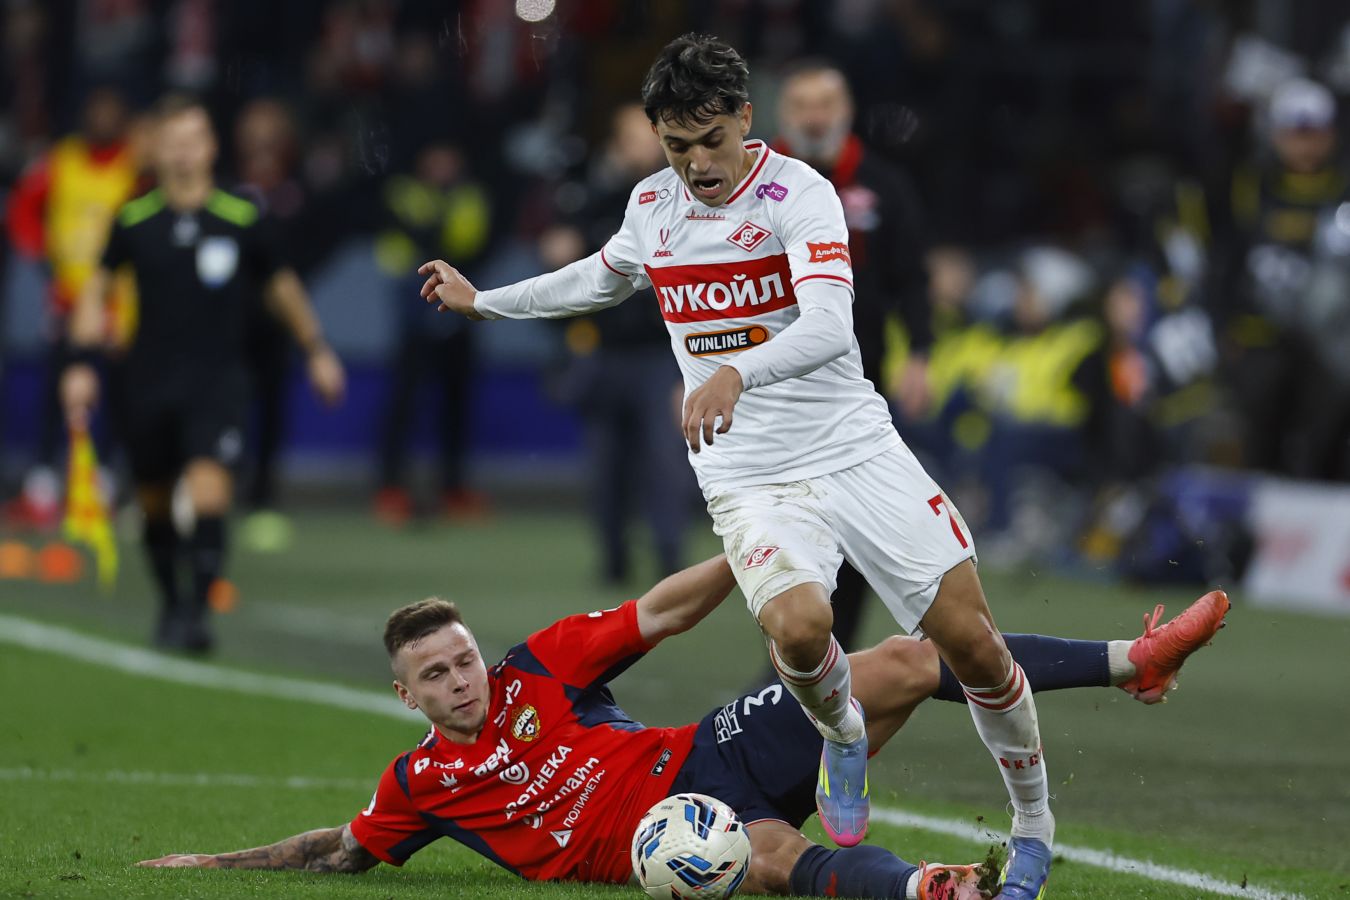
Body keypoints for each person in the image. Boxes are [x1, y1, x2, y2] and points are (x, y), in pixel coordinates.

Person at [417, 34, 1052, 893]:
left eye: (712, 140)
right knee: (800, 628)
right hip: (748, 471)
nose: (698, 164)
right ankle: (843, 734)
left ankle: (1031, 827)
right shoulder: (653, 204)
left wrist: (734, 372)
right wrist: (484, 302)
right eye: (677, 145)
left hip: (852, 445)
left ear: (747, 119)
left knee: (973, 645)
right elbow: (600, 277)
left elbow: (829, 323)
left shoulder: (801, 193)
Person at [136, 554, 1229, 900]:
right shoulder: (416, 787)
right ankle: (929, 891)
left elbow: (658, 612)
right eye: (438, 675)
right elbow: (339, 851)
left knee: (899, 662)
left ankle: (1133, 660)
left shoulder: (538, 668)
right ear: (406, 698)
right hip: (673, 838)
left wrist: (750, 549)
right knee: (771, 858)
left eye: (463, 658)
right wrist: (212, 865)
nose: (463, 681)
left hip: (705, 751)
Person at [60, 94, 346, 652]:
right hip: (147, 382)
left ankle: (195, 615)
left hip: (218, 382)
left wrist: (316, 349)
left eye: (193, 140)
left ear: (211, 147)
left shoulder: (241, 217)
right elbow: (96, 289)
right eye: (173, 143)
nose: (184, 152)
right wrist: (79, 363)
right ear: (157, 151)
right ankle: (172, 603)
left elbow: (281, 285)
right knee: (154, 502)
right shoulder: (134, 219)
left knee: (210, 491)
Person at [772, 60, 934, 652]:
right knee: (780, 524)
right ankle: (794, 656)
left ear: (845, 111)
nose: (815, 117)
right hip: (773, 385)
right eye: (803, 105)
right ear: (783, 113)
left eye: (826, 104)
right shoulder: (753, 182)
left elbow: (911, 277)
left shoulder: (883, 184)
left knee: (860, 521)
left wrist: (920, 353)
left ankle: (838, 651)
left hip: (859, 384)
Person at [541, 103, 696, 582]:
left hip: (661, 354)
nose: (642, 148)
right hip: (602, 351)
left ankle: (670, 559)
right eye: (632, 139)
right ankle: (612, 558)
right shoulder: (589, 196)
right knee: (604, 465)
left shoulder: (684, 195)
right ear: (615, 143)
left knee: (665, 462)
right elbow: (560, 258)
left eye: (649, 138)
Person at [4, 86, 143, 529]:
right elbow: (22, 209)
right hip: (67, 297)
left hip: (118, 301)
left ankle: (103, 483)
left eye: (111, 111)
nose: (102, 119)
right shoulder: (61, 161)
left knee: (116, 393)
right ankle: (44, 483)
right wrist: (42, 253)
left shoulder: (135, 165)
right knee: (57, 391)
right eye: (95, 111)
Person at [372, 140, 492, 525]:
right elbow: (404, 244)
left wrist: (431, 236)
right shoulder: (403, 193)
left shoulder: (469, 197)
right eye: (434, 159)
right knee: (403, 403)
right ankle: (391, 487)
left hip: (460, 308)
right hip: (414, 310)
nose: (441, 167)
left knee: (457, 403)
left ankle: (453, 488)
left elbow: (466, 241)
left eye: (448, 159)